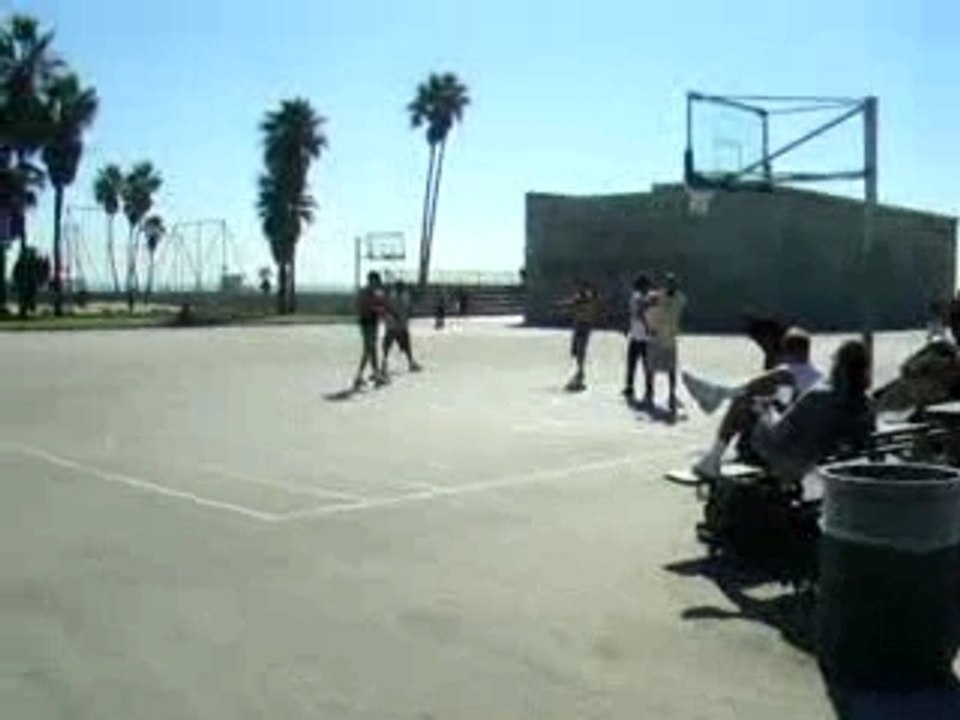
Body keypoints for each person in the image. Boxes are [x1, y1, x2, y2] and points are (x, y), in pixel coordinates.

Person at [696, 339, 875, 488]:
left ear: (838, 366)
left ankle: (712, 460)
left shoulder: (819, 396)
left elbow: (778, 433)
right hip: (823, 460)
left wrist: (765, 410)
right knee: (780, 385)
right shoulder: (867, 403)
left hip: (787, 458)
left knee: (745, 402)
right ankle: (722, 394)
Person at [689, 327, 822, 477]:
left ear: (785, 352)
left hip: (787, 441)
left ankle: (712, 459)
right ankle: (718, 394)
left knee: (741, 402)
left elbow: (753, 387)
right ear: (807, 351)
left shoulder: (787, 372)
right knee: (755, 400)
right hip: (808, 440)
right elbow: (788, 404)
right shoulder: (819, 376)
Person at [645, 272, 687, 414]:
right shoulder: (657, 296)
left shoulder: (680, 298)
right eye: (668, 282)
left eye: (673, 282)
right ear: (665, 284)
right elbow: (643, 308)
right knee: (651, 367)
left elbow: (679, 310)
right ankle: (650, 393)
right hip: (656, 337)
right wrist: (648, 327)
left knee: (671, 369)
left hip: (670, 338)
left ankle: (672, 394)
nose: (671, 285)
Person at [353, 271, 388, 390]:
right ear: (371, 280)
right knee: (368, 349)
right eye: (376, 281)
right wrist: (378, 309)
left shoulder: (376, 293)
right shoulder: (364, 292)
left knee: (372, 350)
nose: (378, 283)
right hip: (366, 323)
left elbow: (381, 304)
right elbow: (364, 307)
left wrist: (381, 310)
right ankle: (359, 376)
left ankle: (376, 375)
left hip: (373, 323)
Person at [622, 274, 654, 403]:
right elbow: (636, 314)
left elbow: (639, 313)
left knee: (641, 364)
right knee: (635, 364)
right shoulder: (636, 297)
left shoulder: (648, 297)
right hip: (638, 336)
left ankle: (645, 388)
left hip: (642, 337)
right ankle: (634, 387)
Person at [564, 278, 600, 391]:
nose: (578, 289)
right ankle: (579, 371)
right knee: (576, 351)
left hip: (584, 326)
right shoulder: (579, 297)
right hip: (578, 325)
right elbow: (574, 305)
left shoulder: (587, 298)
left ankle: (580, 372)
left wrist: (573, 305)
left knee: (580, 350)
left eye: (581, 287)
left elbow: (582, 304)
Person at [382, 280, 422, 376]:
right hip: (394, 325)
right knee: (389, 345)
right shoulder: (395, 296)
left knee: (405, 345)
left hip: (399, 325)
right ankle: (384, 364)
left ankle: (410, 363)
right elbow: (388, 308)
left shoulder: (403, 296)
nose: (402, 289)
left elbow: (408, 309)